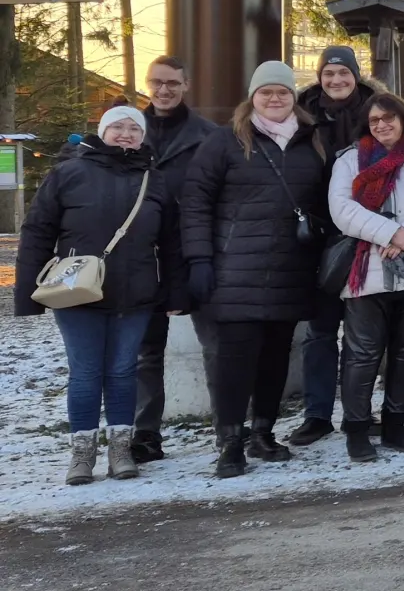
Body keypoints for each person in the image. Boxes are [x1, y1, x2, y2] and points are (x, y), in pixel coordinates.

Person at [19, 106, 182, 485]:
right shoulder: (68, 173)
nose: (125, 134)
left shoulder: (153, 180)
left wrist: (176, 293)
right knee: (86, 372)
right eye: (117, 127)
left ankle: (121, 450)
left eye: (133, 129)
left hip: (136, 294)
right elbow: (38, 232)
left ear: (143, 137)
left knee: (124, 372)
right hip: (76, 293)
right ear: (102, 131)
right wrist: (27, 296)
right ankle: (82, 454)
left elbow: (172, 244)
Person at [183, 61, 327, 477]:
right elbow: (196, 204)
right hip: (235, 271)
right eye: (266, 92)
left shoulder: (310, 142)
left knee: (276, 357)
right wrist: (199, 260)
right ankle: (230, 439)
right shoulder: (224, 143)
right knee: (234, 359)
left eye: (283, 92)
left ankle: (264, 431)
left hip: (290, 269)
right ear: (253, 97)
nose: (275, 98)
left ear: (293, 97)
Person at [327, 93, 404, 462]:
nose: (383, 125)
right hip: (366, 271)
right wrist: (387, 233)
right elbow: (341, 208)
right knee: (362, 354)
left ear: (403, 119)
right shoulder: (351, 160)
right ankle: (356, 427)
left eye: (389, 118)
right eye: (375, 120)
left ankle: (395, 423)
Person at [131, 56, 220, 464]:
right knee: (146, 352)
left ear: (186, 84)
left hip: (195, 252)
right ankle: (145, 433)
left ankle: (227, 427)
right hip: (143, 256)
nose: (163, 90)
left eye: (171, 83)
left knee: (215, 345)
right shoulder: (129, 131)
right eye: (156, 82)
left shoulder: (209, 136)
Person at [293, 45, 377, 447]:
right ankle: (317, 413)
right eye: (329, 74)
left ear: (356, 76)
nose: (337, 81)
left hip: (368, 230)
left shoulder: (378, 111)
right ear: (320, 77)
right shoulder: (301, 115)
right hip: (320, 231)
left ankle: (360, 412)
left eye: (344, 74)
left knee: (365, 334)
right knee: (321, 331)